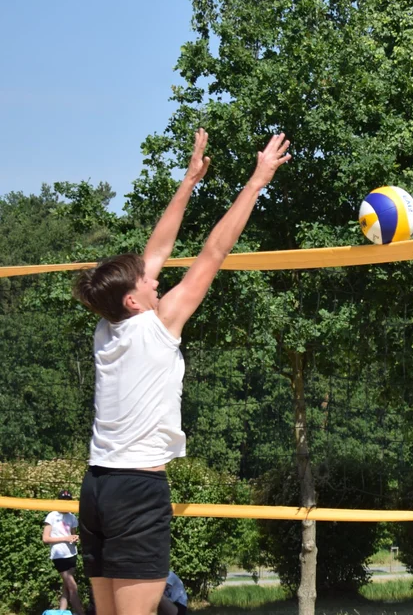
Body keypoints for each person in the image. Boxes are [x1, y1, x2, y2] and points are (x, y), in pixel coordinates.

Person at [72, 129, 291, 615]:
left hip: (97, 488)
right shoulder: (157, 326)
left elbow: (156, 250)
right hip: (134, 491)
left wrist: (190, 181)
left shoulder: (108, 329)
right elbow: (213, 251)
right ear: (134, 298)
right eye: (148, 280)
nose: (157, 277)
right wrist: (257, 180)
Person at [43, 489, 84, 615]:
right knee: (72, 587)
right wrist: (65, 538)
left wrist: (74, 538)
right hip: (59, 555)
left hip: (71, 555)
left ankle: (61, 612)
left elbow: (72, 535)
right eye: (63, 500)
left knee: (66, 587)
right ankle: (81, 613)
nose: (66, 503)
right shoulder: (52, 516)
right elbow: (45, 539)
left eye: (68, 501)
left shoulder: (72, 517)